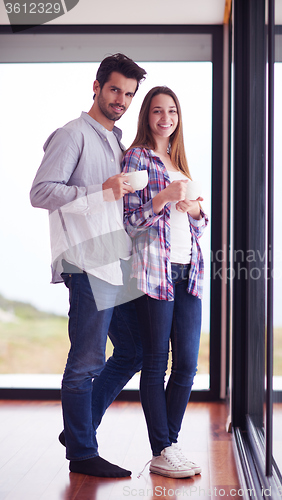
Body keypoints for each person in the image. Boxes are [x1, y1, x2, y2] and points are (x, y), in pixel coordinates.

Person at [30, 54, 146, 478]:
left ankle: (77, 429)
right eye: (115, 89)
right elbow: (41, 192)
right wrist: (100, 189)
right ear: (96, 87)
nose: (122, 100)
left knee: (133, 350)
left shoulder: (117, 142)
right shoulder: (72, 134)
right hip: (86, 260)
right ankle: (82, 452)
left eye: (129, 94)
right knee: (86, 362)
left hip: (116, 260)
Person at [122, 86, 209, 478]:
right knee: (156, 362)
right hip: (156, 271)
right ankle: (163, 447)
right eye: (157, 111)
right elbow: (130, 220)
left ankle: (167, 447)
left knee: (188, 365)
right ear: (147, 116)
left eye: (171, 111)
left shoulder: (179, 161)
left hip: (189, 270)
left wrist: (193, 209)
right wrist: (162, 199)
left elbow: (200, 225)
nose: (165, 118)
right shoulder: (136, 158)